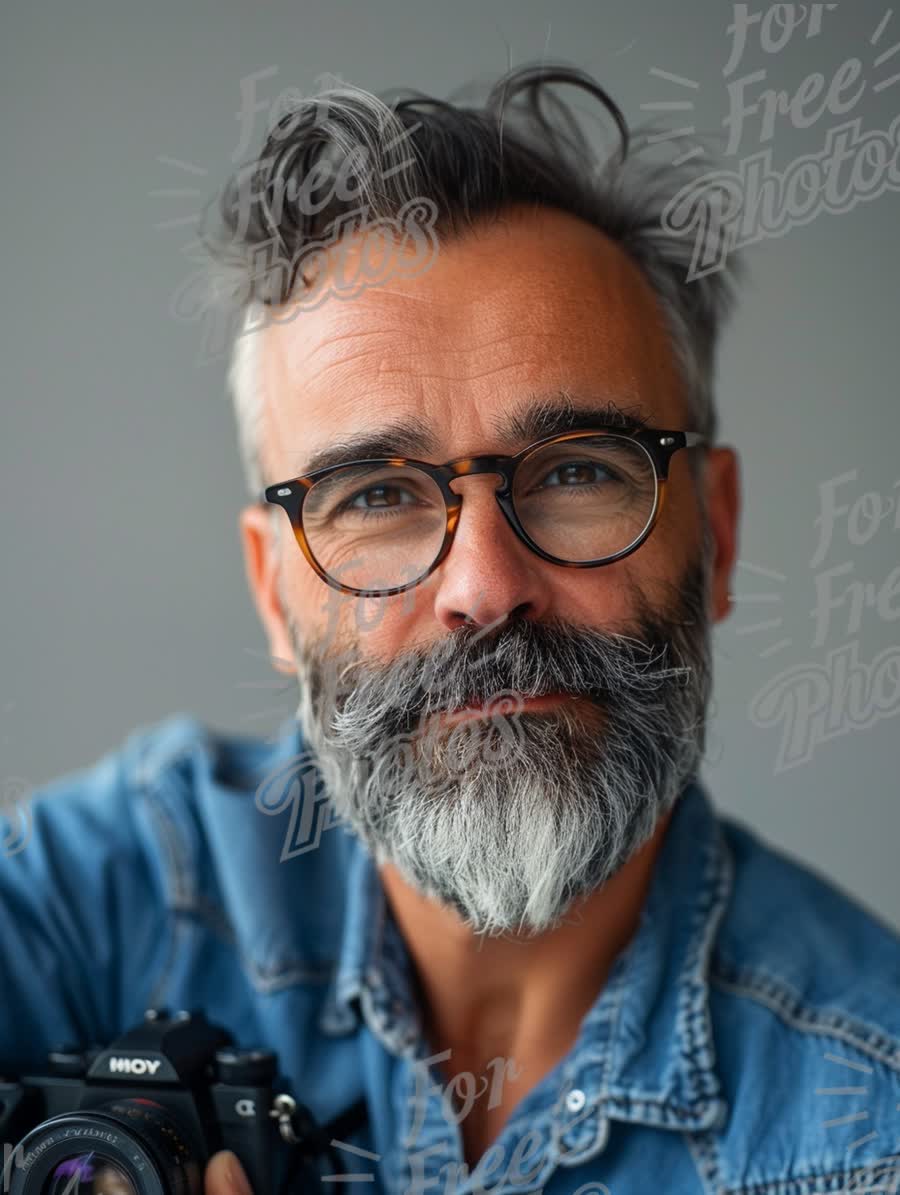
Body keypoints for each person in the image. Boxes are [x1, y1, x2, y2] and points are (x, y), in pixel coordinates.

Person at [2, 63, 899, 1195]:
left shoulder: (872, 1128)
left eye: (578, 470)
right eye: (375, 493)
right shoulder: (110, 897)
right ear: (273, 590)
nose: (485, 584)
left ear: (713, 534)